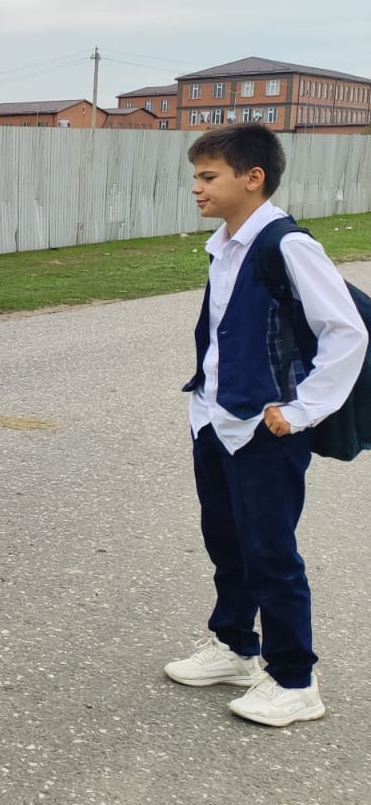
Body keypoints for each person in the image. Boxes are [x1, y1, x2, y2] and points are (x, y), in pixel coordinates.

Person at [165, 124, 366, 727]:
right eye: (196, 176)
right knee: (226, 542)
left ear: (253, 178)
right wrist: (204, 405)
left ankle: (295, 679)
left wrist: (302, 409)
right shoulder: (225, 244)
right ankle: (235, 648)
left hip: (266, 427)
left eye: (208, 176)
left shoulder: (288, 244)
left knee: (270, 552)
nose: (196, 187)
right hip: (215, 419)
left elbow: (347, 332)